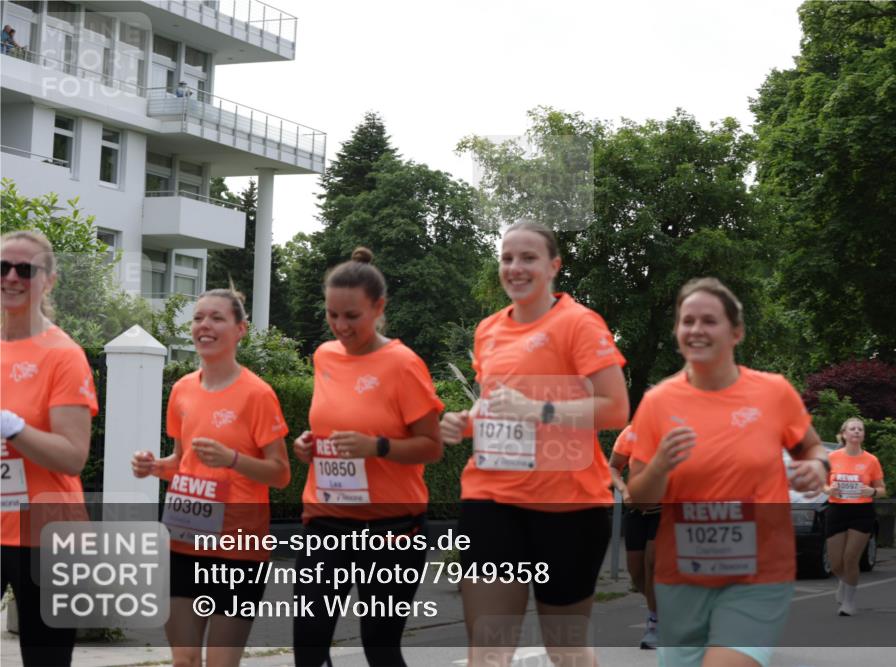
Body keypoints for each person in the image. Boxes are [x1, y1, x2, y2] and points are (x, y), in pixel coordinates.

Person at [440, 220, 629, 667]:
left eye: (528, 258)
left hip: (567, 505)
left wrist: (538, 410)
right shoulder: (488, 330)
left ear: (553, 266)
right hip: (492, 499)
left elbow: (615, 409)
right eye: (507, 258)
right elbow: (499, 405)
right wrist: (465, 423)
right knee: (487, 649)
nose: (515, 267)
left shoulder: (579, 324)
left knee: (564, 648)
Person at [627, 277, 828, 667]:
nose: (696, 330)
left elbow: (812, 447)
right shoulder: (657, 402)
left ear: (736, 332)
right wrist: (661, 465)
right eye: (687, 321)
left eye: (708, 320)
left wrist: (817, 465)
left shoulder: (773, 392)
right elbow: (640, 496)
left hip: (757, 573)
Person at [291, 247, 444, 667]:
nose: (340, 326)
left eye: (352, 316)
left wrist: (376, 446)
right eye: (332, 315)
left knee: (379, 645)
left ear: (378, 308)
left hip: (392, 530)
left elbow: (432, 446)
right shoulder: (323, 356)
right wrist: (307, 445)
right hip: (326, 521)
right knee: (308, 643)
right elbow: (329, 425)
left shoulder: (403, 364)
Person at [131, 288, 291, 667]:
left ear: (240, 330)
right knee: (184, 660)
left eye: (217, 318)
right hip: (183, 544)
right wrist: (155, 467)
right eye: (199, 317)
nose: (205, 326)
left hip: (238, 552)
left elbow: (281, 474)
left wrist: (233, 459)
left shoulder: (258, 394)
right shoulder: (183, 390)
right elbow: (183, 461)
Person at [1, 230, 98, 666]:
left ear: (50, 280)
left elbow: (72, 455)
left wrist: (11, 426)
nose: (12, 277)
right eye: (3, 267)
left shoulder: (63, 354)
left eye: (26, 269)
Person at [824, 417, 884, 616]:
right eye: (852, 429)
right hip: (837, 510)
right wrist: (829, 489)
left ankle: (849, 602)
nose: (857, 431)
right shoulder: (832, 457)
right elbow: (821, 484)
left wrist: (872, 492)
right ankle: (844, 581)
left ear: (863, 435)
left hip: (861, 512)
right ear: (844, 434)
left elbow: (882, 489)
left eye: (860, 429)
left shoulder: (871, 460)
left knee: (851, 558)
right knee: (835, 564)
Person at [608, 424, 659, 649]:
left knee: (653, 563)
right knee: (636, 571)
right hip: (637, 509)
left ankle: (655, 624)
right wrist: (624, 490)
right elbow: (613, 467)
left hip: (667, 511)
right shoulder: (631, 433)